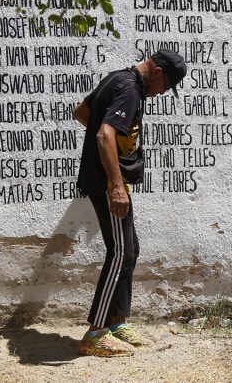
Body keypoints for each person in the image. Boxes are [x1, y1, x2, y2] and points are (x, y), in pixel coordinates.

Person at [73, 49, 186, 357]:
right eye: (165, 87)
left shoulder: (116, 79)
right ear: (159, 73)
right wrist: (115, 183)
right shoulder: (130, 89)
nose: (161, 93)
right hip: (110, 184)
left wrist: (110, 160)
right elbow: (104, 134)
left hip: (110, 179)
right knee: (120, 251)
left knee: (130, 248)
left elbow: (82, 112)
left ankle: (116, 323)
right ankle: (95, 333)